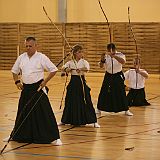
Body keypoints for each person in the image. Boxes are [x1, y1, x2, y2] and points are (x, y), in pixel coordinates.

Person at [3, 37, 62, 145]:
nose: (28, 48)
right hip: (26, 89)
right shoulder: (21, 57)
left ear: (36, 46)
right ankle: (16, 135)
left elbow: (53, 70)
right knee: (22, 113)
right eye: (26, 46)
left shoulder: (41, 57)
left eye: (30, 46)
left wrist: (45, 82)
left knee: (45, 113)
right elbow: (14, 71)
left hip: (38, 88)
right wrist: (17, 82)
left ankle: (54, 137)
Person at [58, 44, 100, 127]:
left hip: (81, 82)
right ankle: (64, 120)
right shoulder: (70, 62)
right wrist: (67, 69)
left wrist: (80, 69)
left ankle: (93, 121)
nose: (81, 54)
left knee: (86, 100)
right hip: (73, 83)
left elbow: (87, 68)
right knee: (69, 101)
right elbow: (63, 68)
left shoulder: (84, 62)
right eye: (79, 52)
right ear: (75, 53)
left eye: (81, 52)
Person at [96, 43, 133, 116]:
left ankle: (126, 109)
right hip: (108, 75)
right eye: (109, 50)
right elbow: (101, 66)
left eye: (112, 50)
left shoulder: (120, 54)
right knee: (104, 91)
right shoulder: (106, 55)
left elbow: (123, 62)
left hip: (117, 75)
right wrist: (102, 60)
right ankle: (99, 108)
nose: (110, 51)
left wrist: (114, 56)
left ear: (115, 49)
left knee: (121, 92)